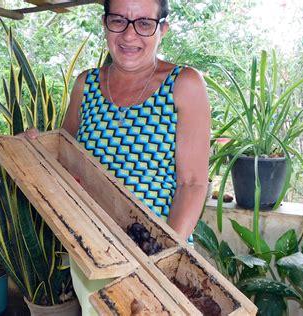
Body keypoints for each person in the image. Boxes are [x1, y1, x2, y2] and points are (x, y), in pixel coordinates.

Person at [29, 0, 210, 313]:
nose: (129, 35)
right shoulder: (85, 86)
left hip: (158, 257)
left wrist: (159, 262)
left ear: (162, 28)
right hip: (93, 254)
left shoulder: (184, 84)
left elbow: (192, 183)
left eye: (143, 23)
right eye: (119, 20)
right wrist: (34, 147)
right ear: (105, 23)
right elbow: (66, 160)